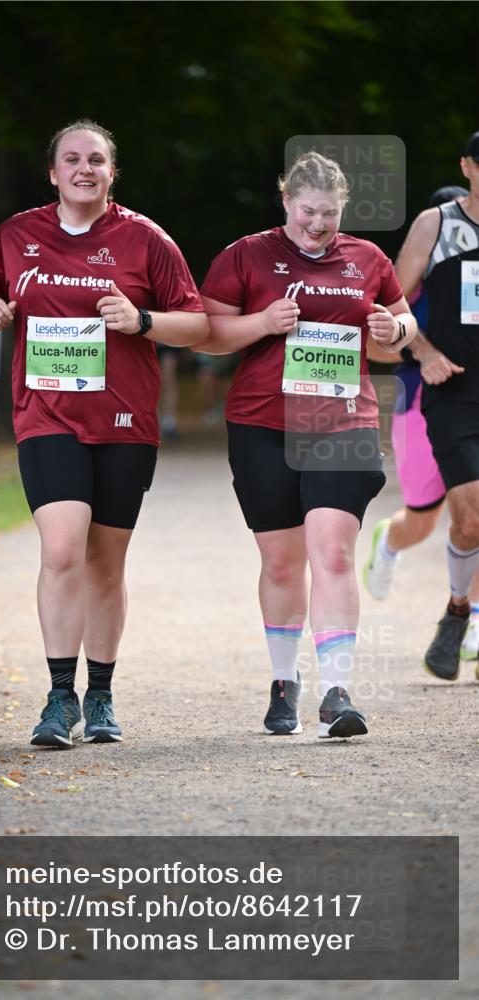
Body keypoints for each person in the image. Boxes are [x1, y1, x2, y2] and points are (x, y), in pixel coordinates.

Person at [0, 120, 208, 748]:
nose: (83, 169)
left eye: (96, 160)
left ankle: (100, 695)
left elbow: (198, 325)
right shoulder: (16, 235)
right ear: (53, 173)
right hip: (46, 415)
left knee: (105, 565)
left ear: (110, 173)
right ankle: (58, 697)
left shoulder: (145, 239)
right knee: (61, 550)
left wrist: (142, 319)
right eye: (71, 159)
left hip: (125, 421)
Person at [198, 151, 417, 738]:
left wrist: (393, 331)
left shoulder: (367, 258)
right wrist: (263, 324)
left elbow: (403, 327)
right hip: (263, 423)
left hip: (343, 422)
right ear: (286, 202)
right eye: (308, 212)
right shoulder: (246, 255)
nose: (318, 225)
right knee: (281, 559)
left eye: (330, 214)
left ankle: (337, 689)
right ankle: (282, 681)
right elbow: (210, 336)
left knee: (335, 552)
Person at [363, 185, 479, 667]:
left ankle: (468, 617)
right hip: (421, 400)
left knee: (473, 515)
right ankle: (388, 542)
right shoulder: (415, 280)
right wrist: (420, 349)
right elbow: (376, 337)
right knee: (424, 515)